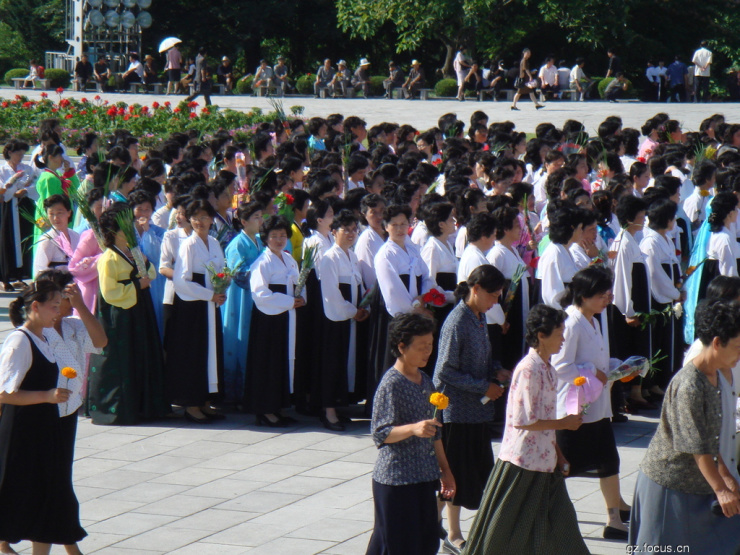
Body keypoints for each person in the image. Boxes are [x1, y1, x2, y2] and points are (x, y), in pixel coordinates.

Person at [464, 304, 590, 554]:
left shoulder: (549, 369)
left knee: (562, 526)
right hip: (521, 464)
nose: (563, 339)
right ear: (541, 336)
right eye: (558, 333)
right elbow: (523, 420)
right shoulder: (528, 369)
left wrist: (559, 454)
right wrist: (564, 424)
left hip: (545, 462)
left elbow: (544, 419)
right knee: (502, 536)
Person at [630, 299, 740, 551]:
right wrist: (722, 490)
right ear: (716, 343)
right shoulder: (690, 384)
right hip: (670, 486)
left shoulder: (716, 373)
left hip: (697, 483)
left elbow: (711, 438)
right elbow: (698, 447)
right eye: (738, 347)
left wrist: (727, 476)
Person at [0, 281, 87, 555]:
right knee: (20, 494)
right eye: (53, 306)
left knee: (48, 496)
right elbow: (4, 393)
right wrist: (47, 396)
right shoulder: (19, 340)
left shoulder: (46, 338)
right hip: (22, 434)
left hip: (43, 429)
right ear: (34, 307)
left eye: (60, 305)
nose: (58, 312)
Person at [553, 267, 634, 540]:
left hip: (597, 404)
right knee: (562, 468)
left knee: (608, 460)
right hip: (574, 407)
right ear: (584, 295)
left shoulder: (593, 320)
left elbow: (599, 361)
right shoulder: (571, 323)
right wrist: (590, 371)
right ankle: (549, 518)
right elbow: (560, 365)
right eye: (602, 294)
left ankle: (615, 517)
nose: (607, 298)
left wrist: (617, 368)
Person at [433, 265, 509, 553]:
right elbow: (444, 371)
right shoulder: (457, 322)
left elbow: (481, 361)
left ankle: (452, 532)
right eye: (492, 295)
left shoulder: (478, 317)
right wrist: (483, 387)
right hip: (457, 413)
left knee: (466, 476)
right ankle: (435, 527)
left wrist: (497, 372)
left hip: (475, 413)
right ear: (475, 289)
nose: (495, 302)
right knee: (452, 474)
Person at [366, 312, 455, 555]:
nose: (428, 352)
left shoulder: (425, 380)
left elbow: (435, 432)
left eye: (430, 345)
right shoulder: (391, 384)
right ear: (402, 346)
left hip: (424, 477)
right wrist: (413, 429)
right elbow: (380, 434)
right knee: (395, 545)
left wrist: (445, 471)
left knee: (425, 544)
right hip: (396, 480)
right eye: (422, 347)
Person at [89, 203, 168, 425]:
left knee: (141, 355)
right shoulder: (108, 258)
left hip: (139, 311)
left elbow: (150, 272)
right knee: (122, 361)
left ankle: (145, 405)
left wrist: (143, 265)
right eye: (126, 227)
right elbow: (110, 292)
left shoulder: (132, 251)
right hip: (119, 316)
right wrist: (137, 285)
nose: (131, 230)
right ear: (115, 231)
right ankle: (117, 407)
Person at [165, 199, 226, 424]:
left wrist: (222, 287)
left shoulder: (215, 243)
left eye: (204, 216)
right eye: (195, 217)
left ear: (212, 219)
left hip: (210, 304)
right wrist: (209, 294)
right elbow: (181, 281)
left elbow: (221, 270)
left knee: (210, 351)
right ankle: (191, 404)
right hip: (192, 307)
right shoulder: (188, 245)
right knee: (193, 353)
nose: (200, 221)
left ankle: (205, 400)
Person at [244, 216, 305, 426]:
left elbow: (299, 282)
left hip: (287, 316)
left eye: (282, 235)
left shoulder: (288, 259)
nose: (279, 240)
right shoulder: (262, 263)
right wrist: (289, 301)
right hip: (269, 319)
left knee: (281, 361)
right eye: (274, 236)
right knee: (267, 363)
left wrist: (301, 297)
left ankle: (278, 406)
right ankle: (265, 409)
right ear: (265, 239)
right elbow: (260, 294)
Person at [316, 210, 368, 430]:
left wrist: (364, 305)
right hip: (335, 320)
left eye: (354, 229)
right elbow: (331, 294)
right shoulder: (329, 258)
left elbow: (360, 285)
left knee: (344, 362)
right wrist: (352, 311)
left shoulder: (352, 256)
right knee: (332, 363)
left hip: (351, 317)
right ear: (334, 231)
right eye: (345, 229)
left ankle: (338, 406)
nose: (350, 234)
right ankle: (327, 411)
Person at [221, 201, 263, 405]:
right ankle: (235, 394)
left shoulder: (259, 240)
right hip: (240, 297)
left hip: (255, 296)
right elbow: (238, 273)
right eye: (256, 217)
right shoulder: (237, 243)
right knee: (239, 339)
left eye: (261, 216)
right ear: (243, 221)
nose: (260, 220)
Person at [0, 140, 35, 291]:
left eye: (23, 154)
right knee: (6, 240)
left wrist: (26, 191)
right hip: (7, 208)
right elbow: (2, 189)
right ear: (10, 153)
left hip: (23, 207)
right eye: (18, 154)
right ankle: (5, 278)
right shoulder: (2, 169)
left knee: (23, 240)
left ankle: (20, 276)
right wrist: (12, 190)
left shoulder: (26, 168)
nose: (21, 157)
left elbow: (34, 184)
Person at [33, 194, 80, 278]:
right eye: (51, 214)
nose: (55, 218)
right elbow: (40, 270)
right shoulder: (47, 240)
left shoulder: (76, 236)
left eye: (59, 213)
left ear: (69, 213)